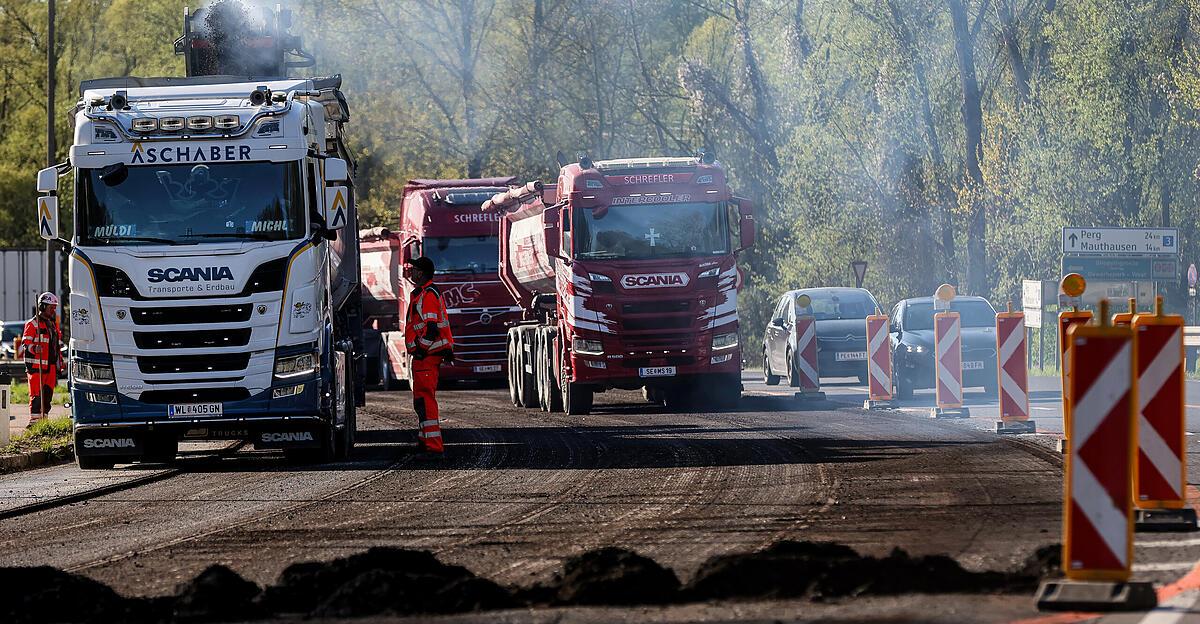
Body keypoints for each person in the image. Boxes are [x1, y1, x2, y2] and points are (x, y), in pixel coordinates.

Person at [404, 256, 454, 454]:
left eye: (414, 269)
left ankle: (433, 447)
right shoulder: (423, 294)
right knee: (421, 402)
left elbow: (431, 329)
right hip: (425, 357)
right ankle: (425, 442)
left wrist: (421, 350)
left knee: (426, 401)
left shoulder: (429, 295)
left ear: (421, 273)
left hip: (427, 357)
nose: (411, 272)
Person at [19, 292, 64, 423]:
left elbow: (56, 345)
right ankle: (34, 423)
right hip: (36, 367)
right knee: (36, 396)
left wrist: (60, 361)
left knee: (47, 396)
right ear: (43, 306)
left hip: (50, 367)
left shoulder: (52, 325)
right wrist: (34, 348)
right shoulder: (32, 324)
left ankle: (43, 422)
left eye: (54, 308)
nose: (53, 310)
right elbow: (25, 343)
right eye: (51, 307)